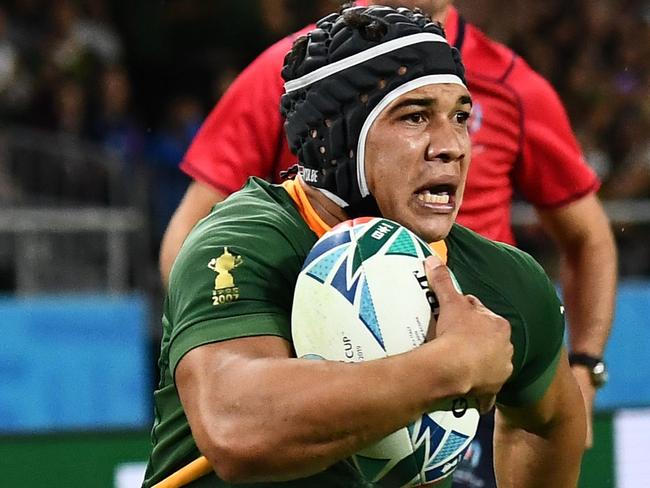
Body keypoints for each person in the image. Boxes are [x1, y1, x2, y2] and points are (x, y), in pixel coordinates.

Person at [157, 1, 616, 484]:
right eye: (415, 117)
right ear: (339, 137)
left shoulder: (507, 284)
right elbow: (237, 430)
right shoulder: (239, 243)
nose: (453, 146)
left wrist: (582, 365)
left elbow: (552, 423)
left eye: (461, 117)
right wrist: (451, 366)